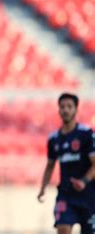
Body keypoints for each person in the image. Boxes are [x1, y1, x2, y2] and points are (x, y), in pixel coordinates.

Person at [37, 93, 95, 234]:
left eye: (69, 106)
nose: (65, 110)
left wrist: (84, 181)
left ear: (76, 109)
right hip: (66, 194)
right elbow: (50, 166)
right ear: (58, 110)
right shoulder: (54, 139)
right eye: (62, 107)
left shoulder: (86, 134)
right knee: (62, 227)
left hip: (88, 195)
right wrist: (43, 188)